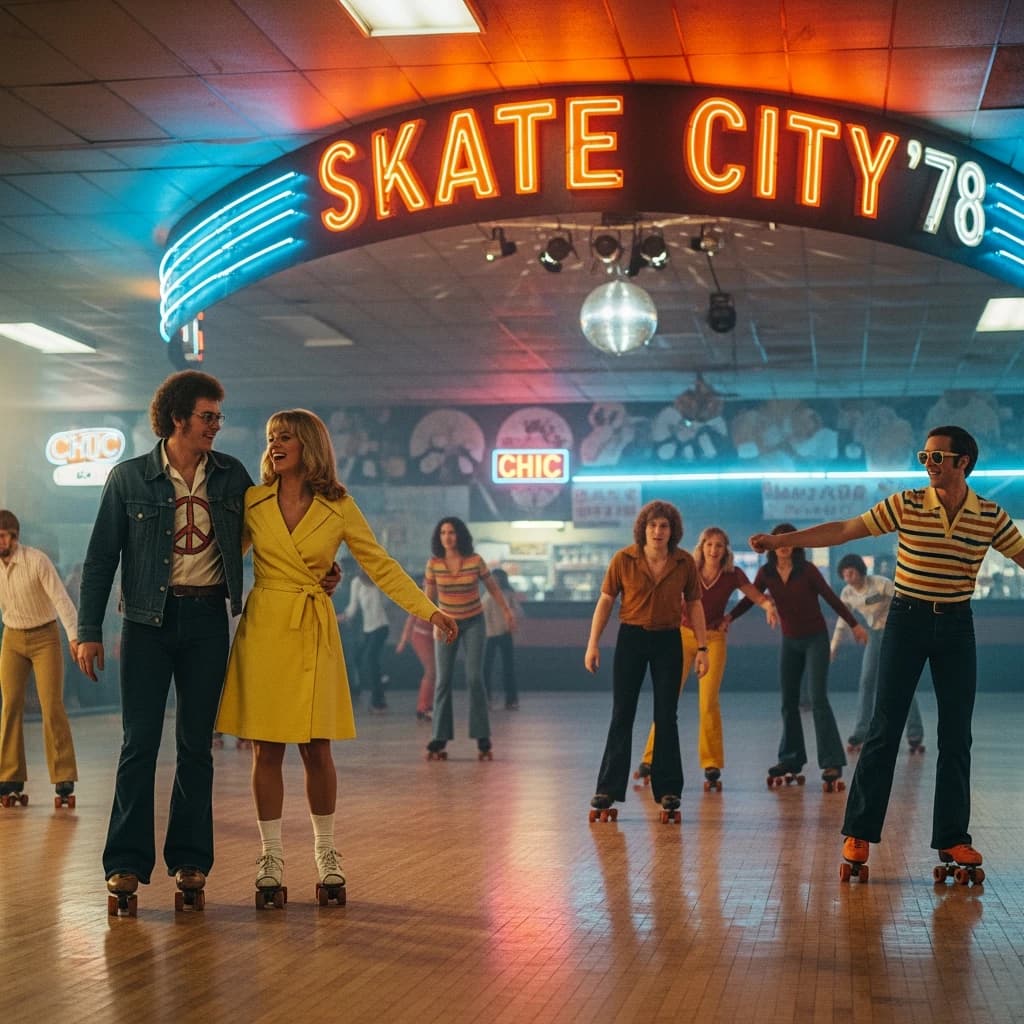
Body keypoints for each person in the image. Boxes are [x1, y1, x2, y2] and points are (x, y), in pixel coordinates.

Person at [75, 371, 336, 914]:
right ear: (178, 419)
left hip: (207, 622)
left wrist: (321, 569)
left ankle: (190, 863)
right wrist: (89, 631)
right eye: (208, 416)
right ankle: (124, 864)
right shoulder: (128, 479)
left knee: (197, 747)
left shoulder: (231, 477)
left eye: (218, 416)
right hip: (146, 624)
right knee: (138, 743)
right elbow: (100, 559)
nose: (217, 425)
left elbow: (278, 528)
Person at [750, 426, 1024, 881]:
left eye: (937, 458)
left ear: (963, 463)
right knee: (884, 727)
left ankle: (954, 836)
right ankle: (858, 832)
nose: (928, 465)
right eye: (925, 457)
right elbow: (844, 530)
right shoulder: (907, 504)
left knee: (957, 734)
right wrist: (785, 541)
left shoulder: (990, 516)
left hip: (957, 625)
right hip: (907, 619)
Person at [214, 409, 457, 904]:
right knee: (266, 749)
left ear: (309, 445)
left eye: (285, 437)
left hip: (313, 630)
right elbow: (221, 561)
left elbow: (381, 565)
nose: (275, 444)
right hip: (263, 630)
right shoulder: (253, 501)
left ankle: (327, 854)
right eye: (270, 437)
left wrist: (429, 611)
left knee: (317, 747)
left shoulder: (339, 505)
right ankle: (271, 857)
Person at [584, 500, 709, 821]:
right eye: (652, 525)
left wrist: (703, 647)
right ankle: (607, 789)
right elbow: (606, 602)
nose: (657, 531)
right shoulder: (623, 559)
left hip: (669, 640)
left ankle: (668, 790)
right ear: (643, 528)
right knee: (622, 713)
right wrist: (592, 644)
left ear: (673, 531)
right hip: (631, 639)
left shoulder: (683, 563)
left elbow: (694, 605)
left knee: (667, 716)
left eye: (664, 526)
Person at [634, 526, 778, 791]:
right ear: (701, 547)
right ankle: (650, 759)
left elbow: (756, 596)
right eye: (709, 545)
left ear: (726, 551)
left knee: (708, 702)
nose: (714, 550)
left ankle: (711, 763)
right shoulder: (687, 568)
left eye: (719, 546)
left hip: (712, 639)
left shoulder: (732, 574)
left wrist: (768, 606)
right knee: (667, 698)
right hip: (682, 635)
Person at [732, 523, 866, 789]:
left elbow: (830, 598)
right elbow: (751, 598)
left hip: (815, 640)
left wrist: (854, 624)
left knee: (817, 699)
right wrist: (729, 617)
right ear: (771, 545)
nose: (783, 545)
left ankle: (831, 762)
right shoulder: (766, 573)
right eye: (778, 541)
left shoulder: (807, 570)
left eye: (788, 540)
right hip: (790, 642)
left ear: (795, 544)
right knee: (788, 701)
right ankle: (791, 759)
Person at [0, 511, 81, 807]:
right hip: (12, 637)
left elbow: (61, 598)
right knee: (10, 705)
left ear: (14, 536)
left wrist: (73, 636)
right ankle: (9, 776)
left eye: (2, 536)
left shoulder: (36, 561)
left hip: (45, 636)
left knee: (52, 705)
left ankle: (63, 776)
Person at [424, 517, 514, 760]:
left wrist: (506, 611)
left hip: (474, 622)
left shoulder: (475, 561)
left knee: (475, 677)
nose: (447, 537)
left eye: (451, 532)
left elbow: (493, 588)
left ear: (460, 535)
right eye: (443, 532)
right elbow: (428, 597)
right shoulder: (434, 564)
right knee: (443, 680)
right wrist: (432, 620)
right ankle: (439, 737)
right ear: (439, 537)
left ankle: (482, 737)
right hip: (445, 624)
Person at [830, 553, 925, 754]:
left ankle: (914, 733)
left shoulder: (880, 583)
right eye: (844, 575)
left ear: (860, 571)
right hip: (874, 635)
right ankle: (861, 732)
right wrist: (834, 647)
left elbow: (904, 597)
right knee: (866, 681)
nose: (848, 578)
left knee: (901, 682)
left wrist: (912, 627)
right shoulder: (847, 593)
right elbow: (843, 621)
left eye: (851, 573)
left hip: (895, 632)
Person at [341, 565, 391, 713]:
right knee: (361, 658)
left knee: (370, 659)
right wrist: (341, 617)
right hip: (368, 629)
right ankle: (381, 681)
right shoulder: (356, 583)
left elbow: (385, 604)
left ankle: (378, 702)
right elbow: (352, 608)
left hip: (381, 627)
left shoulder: (379, 583)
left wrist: (378, 583)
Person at [396, 577, 436, 722]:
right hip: (420, 636)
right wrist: (403, 641)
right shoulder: (421, 598)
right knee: (431, 671)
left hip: (434, 638)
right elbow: (410, 620)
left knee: (434, 673)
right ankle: (423, 708)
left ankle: (427, 707)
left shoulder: (443, 597)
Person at [482, 567, 523, 710]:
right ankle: (487, 699)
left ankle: (510, 700)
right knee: (486, 668)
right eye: (492, 578)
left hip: (503, 634)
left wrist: (512, 623)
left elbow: (517, 611)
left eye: (496, 578)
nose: (494, 580)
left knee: (508, 668)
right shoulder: (488, 595)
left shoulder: (506, 594)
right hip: (490, 635)